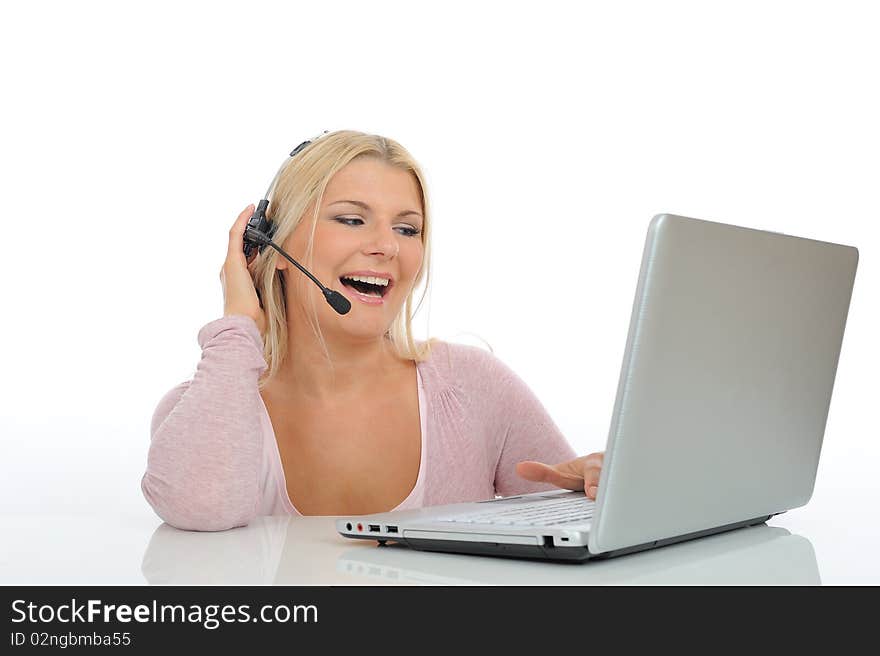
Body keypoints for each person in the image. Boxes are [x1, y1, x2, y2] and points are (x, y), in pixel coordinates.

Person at [142, 130, 604, 531]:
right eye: (351, 219)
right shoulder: (206, 404)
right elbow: (198, 507)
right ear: (272, 246)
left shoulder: (473, 388)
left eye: (407, 229)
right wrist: (237, 326)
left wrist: (596, 486)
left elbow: (574, 520)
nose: (386, 247)